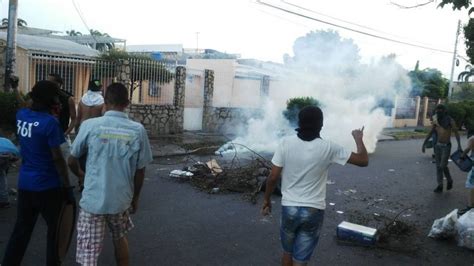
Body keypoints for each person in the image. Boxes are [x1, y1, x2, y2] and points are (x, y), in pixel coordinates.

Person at [261, 106, 368, 266]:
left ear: (299, 122)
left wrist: (267, 200)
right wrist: (358, 138)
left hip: (289, 207)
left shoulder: (285, 143)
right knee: (300, 259)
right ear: (321, 125)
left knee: (287, 252)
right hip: (313, 210)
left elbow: (273, 177)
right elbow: (363, 160)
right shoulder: (329, 147)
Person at [68, 83, 153, 265]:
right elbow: (140, 170)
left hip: (93, 201)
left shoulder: (90, 126)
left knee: (88, 255)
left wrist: (82, 175)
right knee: (119, 237)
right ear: (127, 103)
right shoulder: (138, 130)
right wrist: (135, 198)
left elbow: (71, 160)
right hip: (120, 200)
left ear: (105, 102)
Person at [2, 80, 72, 266]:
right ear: (50, 100)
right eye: (56, 96)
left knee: (22, 230)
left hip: (25, 184)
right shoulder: (50, 124)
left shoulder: (21, 115)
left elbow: (25, 106)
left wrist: (17, 89)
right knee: (54, 232)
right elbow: (57, 158)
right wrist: (67, 186)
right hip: (48, 186)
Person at [422, 104, 462, 193]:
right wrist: (424, 144)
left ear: (444, 111)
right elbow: (430, 133)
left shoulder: (450, 120)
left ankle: (449, 180)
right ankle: (440, 185)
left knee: (442, 166)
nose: (438, 112)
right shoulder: (436, 121)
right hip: (437, 146)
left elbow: (456, 133)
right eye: (437, 110)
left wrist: (459, 145)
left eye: (440, 110)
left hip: (446, 146)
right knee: (438, 167)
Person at [0, 137, 20, 208]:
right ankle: (4, 200)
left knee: (2, 178)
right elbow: (14, 157)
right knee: (2, 179)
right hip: (3, 164)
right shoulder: (6, 142)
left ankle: (4, 200)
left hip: (3, 163)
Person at [458, 136, 474, 215]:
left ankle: (470, 207)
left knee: (471, 185)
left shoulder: (472, 139)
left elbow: (467, 150)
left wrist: (461, 158)